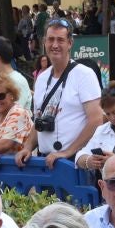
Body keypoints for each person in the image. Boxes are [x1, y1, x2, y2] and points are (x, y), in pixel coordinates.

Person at [20, 19, 101, 169]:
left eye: (60, 40)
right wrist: (27, 147)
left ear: (70, 43)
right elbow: (39, 119)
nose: (55, 45)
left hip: (74, 161)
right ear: (44, 42)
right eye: (50, 39)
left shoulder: (84, 74)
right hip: (45, 160)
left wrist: (67, 152)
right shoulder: (42, 78)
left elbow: (96, 120)